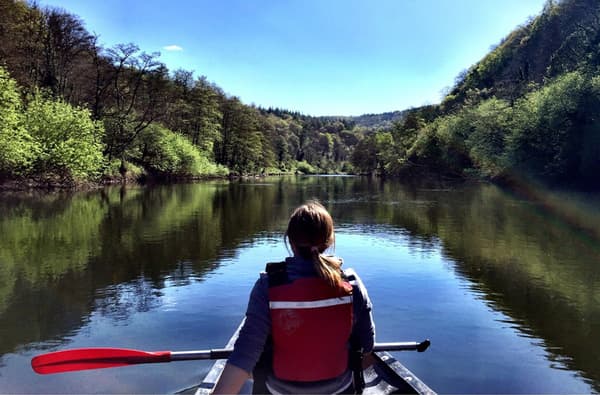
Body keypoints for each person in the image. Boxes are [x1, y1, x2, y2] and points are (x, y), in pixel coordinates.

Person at [213, 200, 376, 394]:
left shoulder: (268, 286)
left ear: (290, 241)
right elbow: (367, 345)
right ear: (329, 241)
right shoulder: (352, 284)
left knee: (260, 353)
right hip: (340, 389)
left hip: (278, 390)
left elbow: (245, 354)